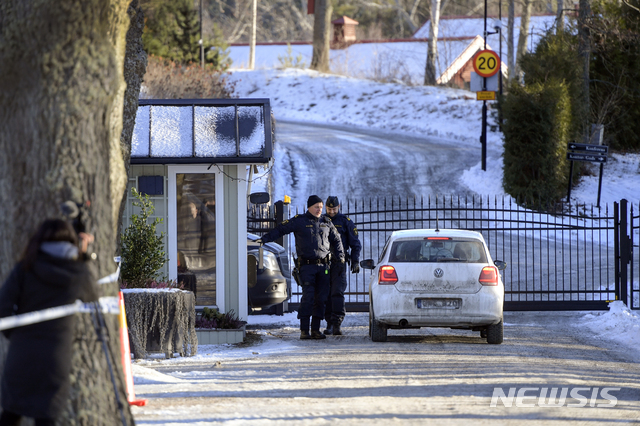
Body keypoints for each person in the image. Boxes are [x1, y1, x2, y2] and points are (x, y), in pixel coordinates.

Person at [0, 219, 99, 426]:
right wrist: (83, 256)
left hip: (22, 353)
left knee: (11, 414)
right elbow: (91, 297)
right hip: (56, 356)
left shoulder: (25, 267)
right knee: (47, 416)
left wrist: (16, 335)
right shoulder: (77, 271)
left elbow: (3, 308)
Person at [258, 195, 345, 340]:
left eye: (321, 207)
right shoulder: (299, 221)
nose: (319, 210)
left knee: (321, 299)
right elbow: (280, 230)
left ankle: (316, 330)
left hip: (324, 267)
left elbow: (337, 240)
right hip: (307, 267)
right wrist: (263, 239)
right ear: (309, 207)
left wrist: (341, 257)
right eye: (316, 207)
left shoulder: (326, 222)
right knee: (308, 297)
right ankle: (304, 330)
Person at [323, 196, 362, 336]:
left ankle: (337, 324)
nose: (331, 212)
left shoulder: (345, 222)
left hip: (339, 263)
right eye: (329, 209)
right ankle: (328, 323)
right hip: (323, 263)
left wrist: (356, 261)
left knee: (337, 293)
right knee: (325, 293)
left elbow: (355, 244)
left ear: (339, 207)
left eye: (334, 209)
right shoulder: (321, 220)